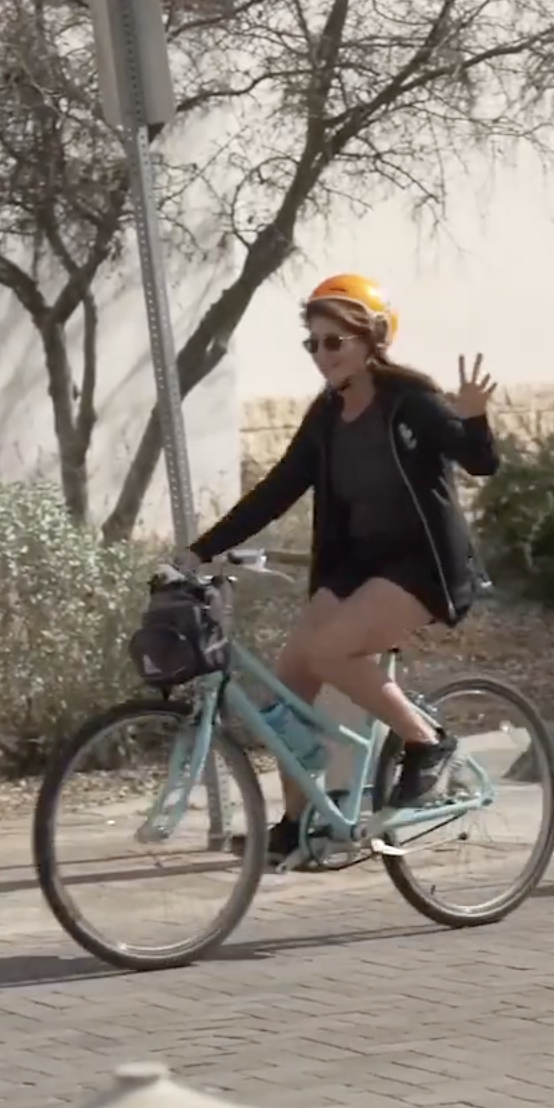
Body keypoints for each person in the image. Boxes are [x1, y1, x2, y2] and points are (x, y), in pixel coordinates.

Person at [178, 273, 500, 865]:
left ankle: (428, 743)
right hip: (356, 567)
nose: (322, 356)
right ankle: (297, 825)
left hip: (421, 567)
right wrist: (199, 550)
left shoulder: (412, 401)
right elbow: (277, 490)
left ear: (369, 339)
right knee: (288, 684)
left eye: (334, 342)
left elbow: (480, 462)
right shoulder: (326, 415)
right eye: (313, 344)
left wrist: (475, 417)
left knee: (331, 653)